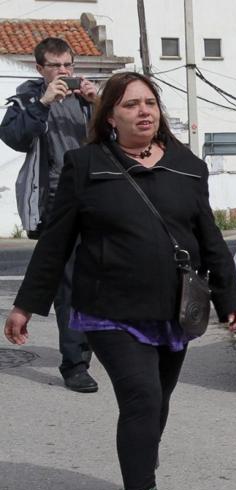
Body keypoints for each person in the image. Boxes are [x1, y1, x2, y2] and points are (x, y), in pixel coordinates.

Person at [3, 72, 236, 490]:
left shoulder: (187, 166)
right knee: (141, 398)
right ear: (109, 115)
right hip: (110, 311)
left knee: (158, 406)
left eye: (150, 103)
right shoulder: (85, 165)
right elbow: (56, 242)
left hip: (174, 312)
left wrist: (229, 296)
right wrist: (26, 304)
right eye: (132, 104)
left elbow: (209, 239)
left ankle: (141, 474)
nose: (144, 111)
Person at [1, 37, 100, 393]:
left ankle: (114, 342)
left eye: (68, 65)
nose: (64, 72)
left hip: (100, 199)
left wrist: (98, 102)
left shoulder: (89, 100)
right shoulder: (28, 100)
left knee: (110, 275)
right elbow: (14, 137)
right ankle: (75, 364)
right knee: (69, 284)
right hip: (57, 204)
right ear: (40, 68)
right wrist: (43, 103)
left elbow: (123, 134)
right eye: (56, 66)